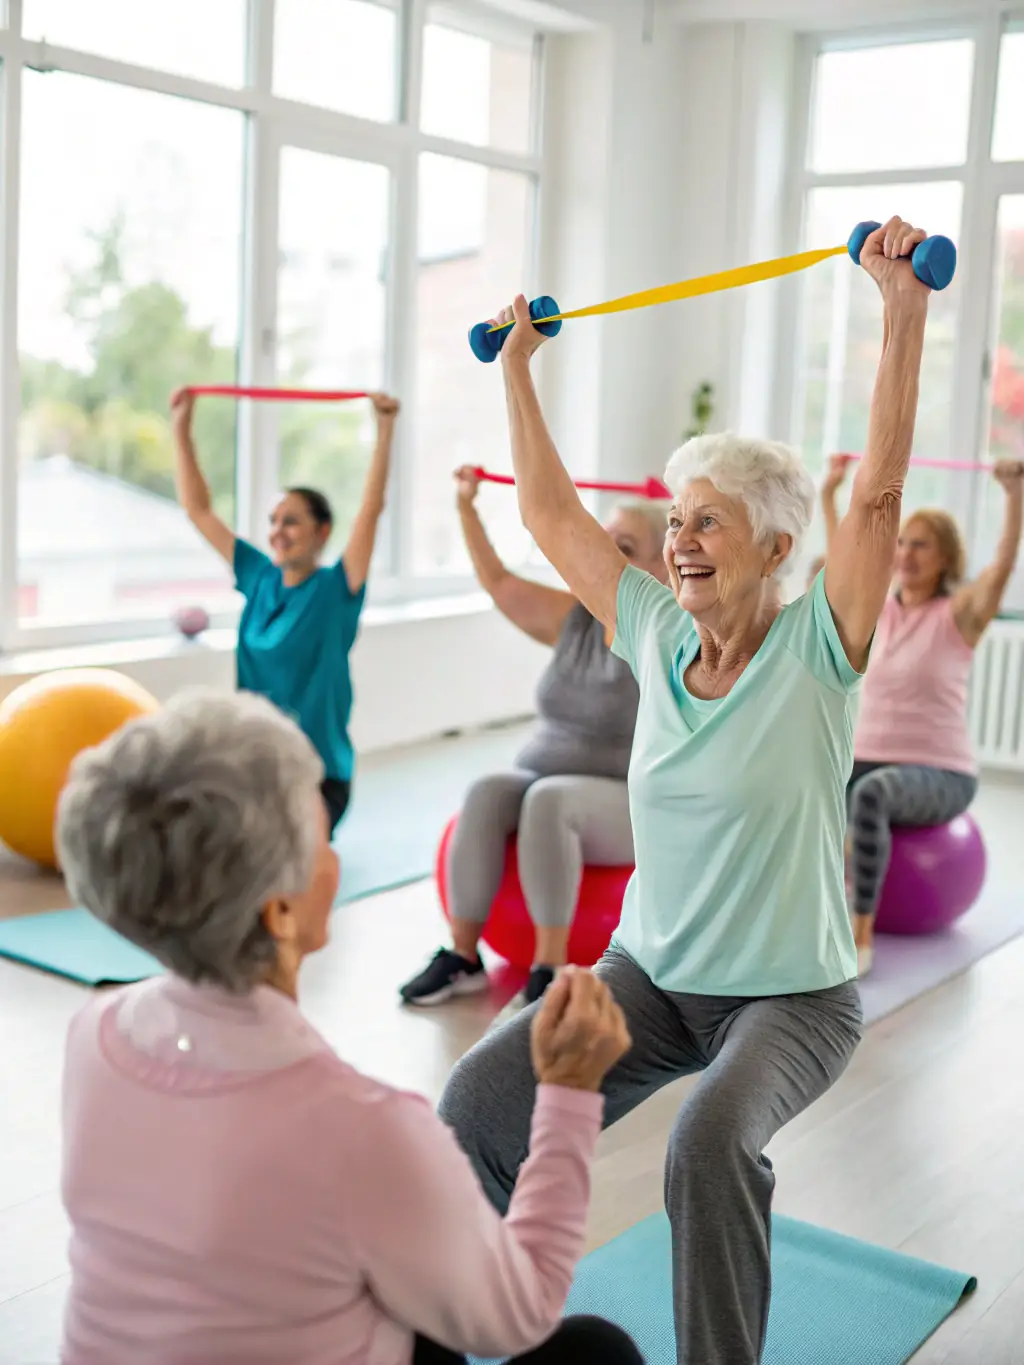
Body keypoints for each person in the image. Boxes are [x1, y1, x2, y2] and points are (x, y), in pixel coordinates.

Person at [437, 216, 934, 1365]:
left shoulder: (820, 646)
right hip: (648, 978)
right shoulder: (653, 631)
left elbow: (876, 498)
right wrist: (517, 372)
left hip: (794, 998)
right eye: (674, 519)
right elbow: (551, 517)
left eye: (708, 519)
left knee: (707, 1142)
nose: (679, 539)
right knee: (474, 1102)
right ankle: (459, 1334)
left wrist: (901, 312)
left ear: (774, 549)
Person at [54, 689, 643, 1365]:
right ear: (278, 911)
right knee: (595, 1350)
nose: (333, 852)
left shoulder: (92, 1033)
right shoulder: (363, 1127)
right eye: (319, 834)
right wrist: (568, 1092)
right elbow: (519, 1314)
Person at [400, 464, 669, 1009]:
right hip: (545, 774)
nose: (605, 553)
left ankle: (549, 969)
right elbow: (500, 583)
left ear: (662, 566)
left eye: (626, 545)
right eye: (603, 540)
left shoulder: (670, 631)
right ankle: (463, 956)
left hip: (624, 802)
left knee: (549, 801)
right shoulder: (575, 619)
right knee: (486, 791)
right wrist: (466, 509)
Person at [821, 450, 1024, 974]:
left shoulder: (960, 614)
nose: (907, 554)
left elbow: (1001, 569)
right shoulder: (877, 611)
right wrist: (831, 493)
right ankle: (809, 919)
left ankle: (858, 938)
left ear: (945, 558)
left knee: (871, 794)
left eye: (922, 545)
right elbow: (842, 562)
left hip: (941, 772)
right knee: (809, 780)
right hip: (866, 756)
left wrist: (1015, 497)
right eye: (903, 542)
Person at [169, 387, 401, 835]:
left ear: (322, 531)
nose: (278, 531)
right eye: (274, 520)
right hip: (255, 764)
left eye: (291, 520)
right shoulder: (258, 577)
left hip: (317, 777)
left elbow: (370, 513)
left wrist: (385, 428)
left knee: (270, 858)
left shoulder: (336, 589)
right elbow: (198, 509)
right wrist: (181, 428)